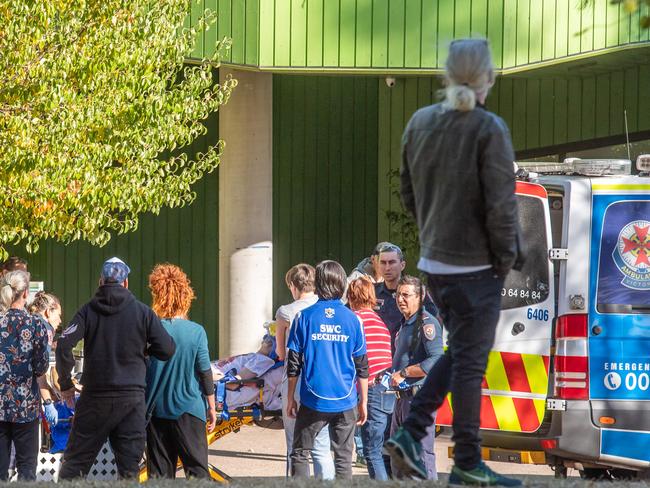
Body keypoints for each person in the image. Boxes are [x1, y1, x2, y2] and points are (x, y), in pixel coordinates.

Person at [384, 39, 522, 486]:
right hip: (477, 267)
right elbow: (502, 208)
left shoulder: (420, 122)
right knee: (469, 363)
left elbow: (408, 194)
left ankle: (411, 433)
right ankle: (465, 462)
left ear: (445, 76)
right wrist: (504, 262)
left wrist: (434, 230)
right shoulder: (489, 128)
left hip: (435, 264)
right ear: (489, 78)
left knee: (460, 351)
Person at [56, 257, 176, 480]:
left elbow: (64, 344)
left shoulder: (87, 311)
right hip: (131, 399)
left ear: (101, 281)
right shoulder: (143, 312)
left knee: (75, 466)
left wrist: (66, 384)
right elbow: (168, 349)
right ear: (126, 283)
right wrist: (145, 351)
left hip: (95, 399)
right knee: (129, 470)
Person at [286, 260, 369, 480]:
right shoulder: (353, 320)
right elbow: (362, 366)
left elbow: (293, 363)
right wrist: (363, 402)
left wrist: (290, 398)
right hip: (345, 400)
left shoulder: (303, 317)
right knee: (343, 456)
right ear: (342, 283)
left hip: (313, 399)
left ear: (318, 284)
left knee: (300, 452)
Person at [145, 263, 216, 479]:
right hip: (189, 411)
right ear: (186, 296)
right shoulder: (196, 332)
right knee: (197, 472)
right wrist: (212, 407)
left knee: (159, 476)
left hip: (156, 411)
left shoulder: (149, 330)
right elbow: (205, 372)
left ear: (157, 295)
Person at [275, 264, 334, 479]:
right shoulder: (326, 309)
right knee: (321, 446)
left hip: (295, 381)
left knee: (295, 445)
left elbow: (281, 353)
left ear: (293, 285)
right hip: (323, 381)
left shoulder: (285, 312)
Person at [388, 276, 442, 480]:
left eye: (406, 295)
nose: (400, 299)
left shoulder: (426, 323)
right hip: (402, 400)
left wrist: (403, 373)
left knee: (420, 458)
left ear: (420, 297)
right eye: (398, 294)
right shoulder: (405, 323)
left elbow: (436, 359)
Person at [0, 270, 49, 481]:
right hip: (25, 406)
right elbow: (41, 367)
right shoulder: (36, 324)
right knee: (27, 468)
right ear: (26, 293)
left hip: (0, 405)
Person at [346, 277, 393, 480]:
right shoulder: (379, 321)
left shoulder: (355, 320)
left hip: (370, 389)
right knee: (382, 449)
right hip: (387, 390)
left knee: (372, 451)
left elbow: (351, 357)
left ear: (351, 296)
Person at [373, 243, 437, 350]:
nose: (387, 267)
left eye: (392, 262)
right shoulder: (370, 292)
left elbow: (432, 319)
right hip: (379, 357)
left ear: (402, 265)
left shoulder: (417, 292)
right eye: (383, 263)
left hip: (407, 357)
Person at [28, 292, 63, 427]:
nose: (60, 321)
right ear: (49, 312)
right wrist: (48, 402)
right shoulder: (44, 329)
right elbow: (39, 373)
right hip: (24, 402)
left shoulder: (26, 321)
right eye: (59, 315)